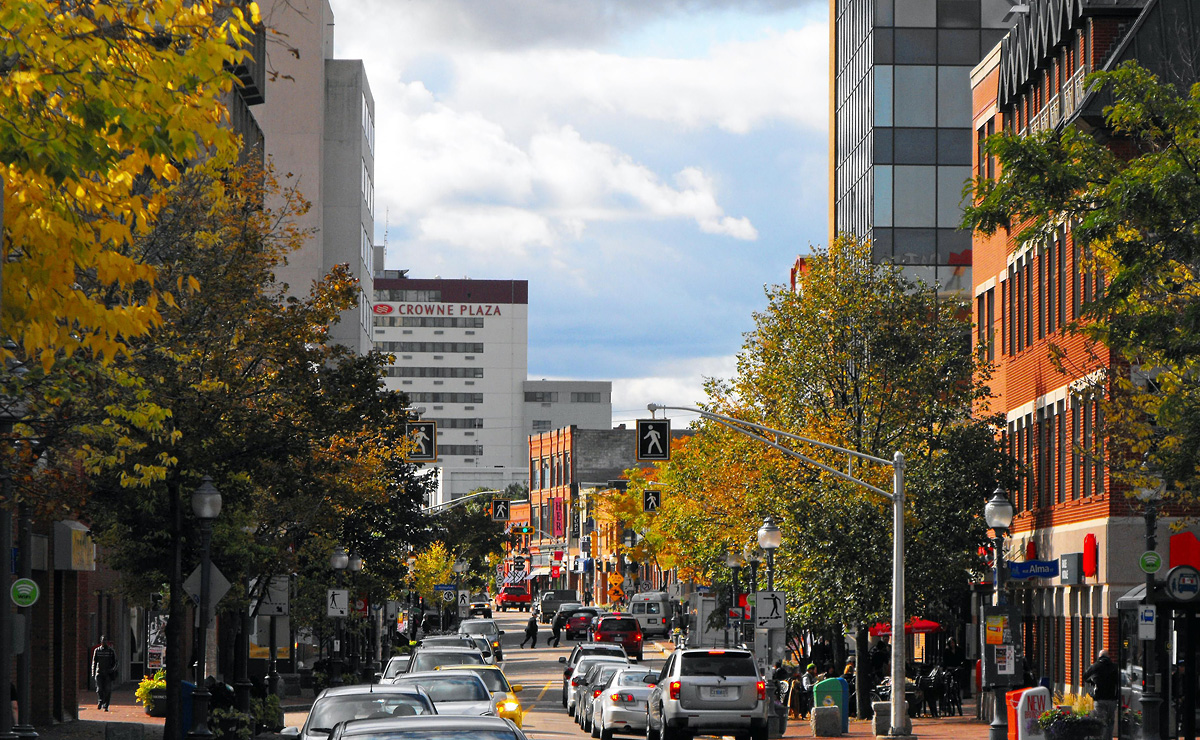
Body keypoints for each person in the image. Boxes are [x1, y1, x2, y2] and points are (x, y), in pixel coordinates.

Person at [1083, 649, 1119, 739]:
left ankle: (1100, 738)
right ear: (1108, 657)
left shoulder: (1095, 666)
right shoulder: (1115, 667)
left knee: (1100, 721)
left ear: (1099, 657)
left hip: (1099, 698)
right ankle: (1108, 738)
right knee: (1110, 721)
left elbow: (1085, 677)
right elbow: (1119, 681)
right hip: (1112, 698)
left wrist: (1092, 681)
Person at [91, 635, 117, 711]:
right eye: (102, 641)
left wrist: (112, 670)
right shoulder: (97, 650)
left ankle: (106, 705)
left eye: (105, 641)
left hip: (108, 673)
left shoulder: (111, 651)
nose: (104, 642)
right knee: (99, 689)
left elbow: (116, 662)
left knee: (108, 689)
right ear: (100, 642)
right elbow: (94, 662)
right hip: (99, 672)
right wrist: (93, 672)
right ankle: (100, 701)